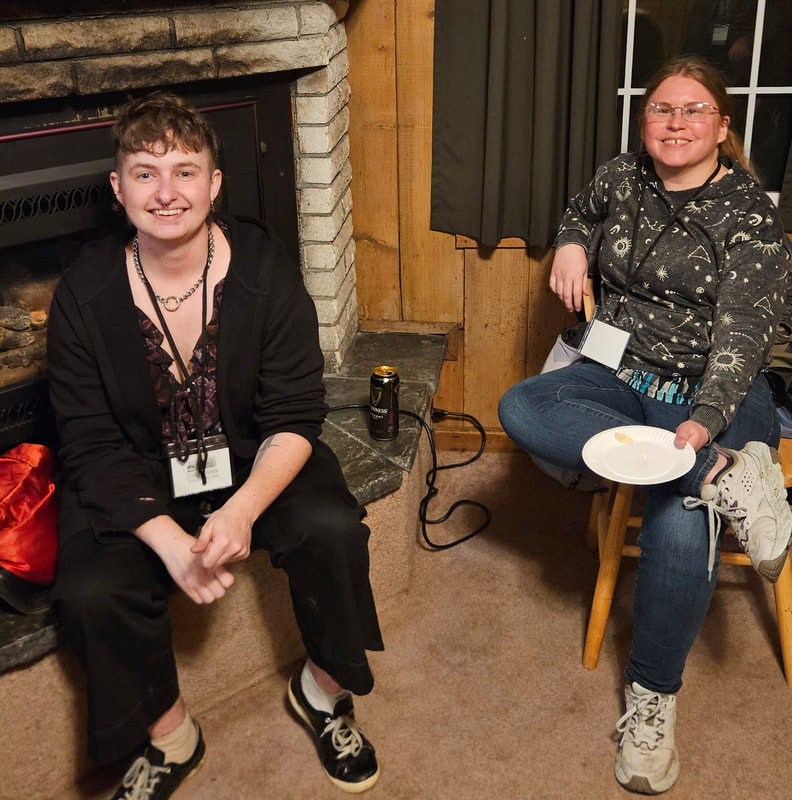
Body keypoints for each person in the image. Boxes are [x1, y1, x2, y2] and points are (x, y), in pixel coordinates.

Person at [47, 92, 383, 799]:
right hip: (137, 470)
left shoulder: (263, 267)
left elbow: (295, 412)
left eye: (185, 171)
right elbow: (88, 442)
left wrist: (243, 510)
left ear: (215, 184)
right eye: (145, 173)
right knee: (89, 588)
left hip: (253, 453)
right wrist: (169, 540)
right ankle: (171, 735)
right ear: (118, 187)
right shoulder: (82, 292)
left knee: (332, 527)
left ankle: (323, 693)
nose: (166, 192)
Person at [498, 56, 792, 795]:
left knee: (680, 526)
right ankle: (723, 477)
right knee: (522, 406)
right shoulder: (621, 176)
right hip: (624, 370)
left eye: (695, 111)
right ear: (644, 120)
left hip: (720, 387)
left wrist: (704, 423)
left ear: (722, 128)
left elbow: (743, 335)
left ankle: (653, 699)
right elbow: (581, 209)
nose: (676, 122)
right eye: (662, 108)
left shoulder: (749, 212)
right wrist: (572, 240)